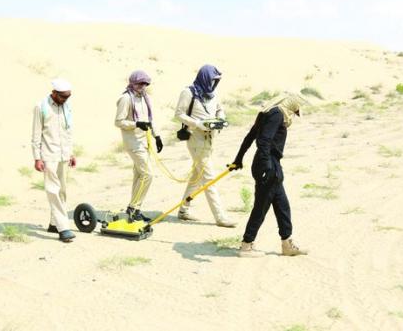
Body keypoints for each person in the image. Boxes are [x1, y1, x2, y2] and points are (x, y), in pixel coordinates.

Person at [231, 93, 309, 257]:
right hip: (268, 165)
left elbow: (249, 137)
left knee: (282, 206)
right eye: (295, 110)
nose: (295, 114)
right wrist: (267, 167)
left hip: (270, 164)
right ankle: (246, 245)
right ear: (290, 104)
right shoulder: (277, 114)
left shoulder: (267, 113)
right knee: (261, 207)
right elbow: (263, 141)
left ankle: (287, 244)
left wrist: (238, 159)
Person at [175, 64, 236, 228]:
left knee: (196, 177)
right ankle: (220, 217)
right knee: (209, 179)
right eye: (212, 80)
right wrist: (197, 124)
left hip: (210, 139)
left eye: (216, 81)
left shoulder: (213, 94)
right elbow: (179, 114)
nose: (214, 83)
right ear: (205, 78)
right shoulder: (188, 92)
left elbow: (219, 109)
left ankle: (183, 210)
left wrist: (220, 119)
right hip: (196, 139)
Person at [31, 79, 76, 243]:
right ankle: (63, 228)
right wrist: (37, 157)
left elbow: (68, 130)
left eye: (68, 96)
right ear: (54, 94)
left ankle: (53, 223)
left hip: (64, 154)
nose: (66, 99)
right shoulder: (41, 106)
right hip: (48, 154)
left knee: (62, 190)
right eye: (63, 97)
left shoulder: (67, 106)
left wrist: (71, 153)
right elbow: (36, 134)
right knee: (53, 189)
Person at [115, 70, 163, 222]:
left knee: (139, 175)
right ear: (133, 83)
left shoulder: (146, 98)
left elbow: (150, 120)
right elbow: (118, 122)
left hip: (145, 141)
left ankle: (134, 209)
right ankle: (134, 207)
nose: (143, 86)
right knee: (148, 174)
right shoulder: (125, 98)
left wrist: (157, 136)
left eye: (145, 84)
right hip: (133, 143)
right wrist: (136, 124)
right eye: (140, 83)